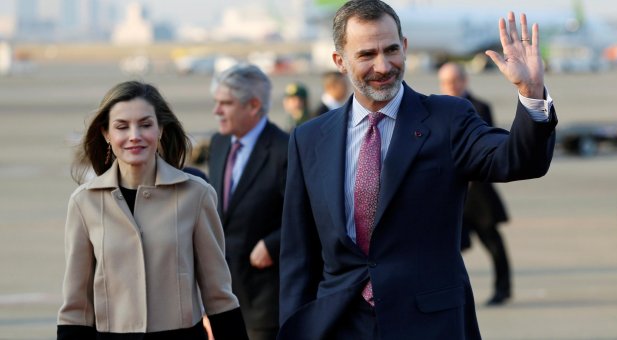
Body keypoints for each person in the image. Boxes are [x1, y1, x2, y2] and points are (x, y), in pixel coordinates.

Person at [279, 1, 557, 339]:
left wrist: (531, 95)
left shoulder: (448, 119)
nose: (383, 66)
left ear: (405, 47)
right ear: (340, 61)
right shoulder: (309, 139)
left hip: (429, 323)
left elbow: (517, 159)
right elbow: (298, 255)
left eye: (392, 50)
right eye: (366, 54)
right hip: (339, 323)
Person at [58, 81, 248, 339]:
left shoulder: (196, 195)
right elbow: (76, 308)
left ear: (160, 130)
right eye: (122, 127)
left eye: (145, 124)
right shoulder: (84, 202)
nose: (134, 135)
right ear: (106, 134)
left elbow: (219, 296)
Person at [207, 63, 288, 340]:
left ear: (253, 105)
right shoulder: (219, 144)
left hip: (264, 304)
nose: (216, 111)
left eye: (225, 103)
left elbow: (310, 218)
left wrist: (272, 244)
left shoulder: (285, 150)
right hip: (222, 298)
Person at [438, 61, 513, 306]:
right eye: (445, 83)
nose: (449, 86)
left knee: (492, 242)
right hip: (449, 193)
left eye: (453, 81)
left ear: (463, 81)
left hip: (478, 192)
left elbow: (485, 146)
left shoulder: (480, 107)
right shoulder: (436, 109)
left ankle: (503, 289)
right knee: (447, 248)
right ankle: (449, 293)